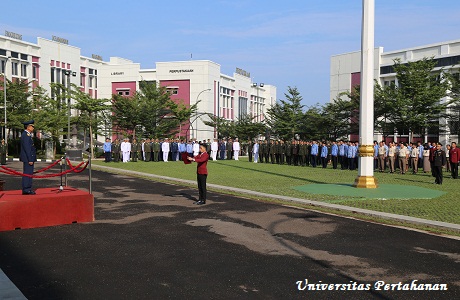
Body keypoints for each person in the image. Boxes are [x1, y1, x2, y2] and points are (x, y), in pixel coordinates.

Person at [20, 120, 37, 195]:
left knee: (29, 173)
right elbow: (27, 148)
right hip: (28, 158)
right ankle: (27, 189)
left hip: (29, 158)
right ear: (28, 127)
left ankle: (28, 188)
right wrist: (30, 159)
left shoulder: (28, 135)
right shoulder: (26, 135)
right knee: (27, 173)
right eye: (32, 126)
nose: (33, 127)